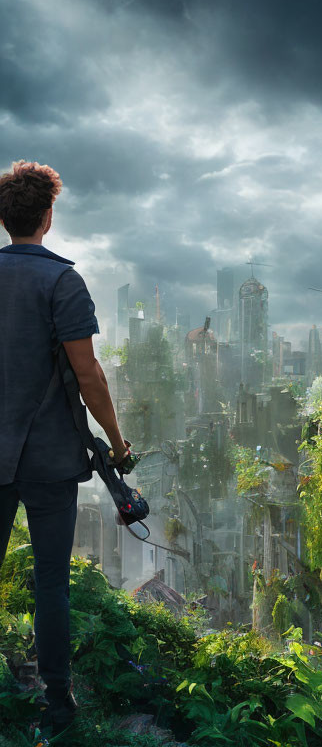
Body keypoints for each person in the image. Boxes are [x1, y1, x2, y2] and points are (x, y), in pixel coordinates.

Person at [0, 160, 132, 736]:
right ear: (47, 217)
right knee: (51, 580)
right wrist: (117, 441)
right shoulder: (62, 281)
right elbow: (89, 375)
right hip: (52, 459)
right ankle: (59, 702)